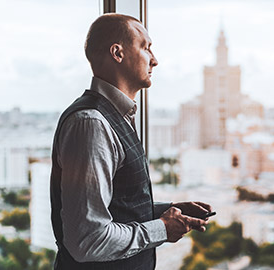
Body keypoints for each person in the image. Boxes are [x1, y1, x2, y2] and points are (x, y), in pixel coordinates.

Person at [50, 13, 212, 270]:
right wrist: (161, 229)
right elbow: (88, 240)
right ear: (118, 53)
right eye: (146, 47)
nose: (155, 60)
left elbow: (114, 206)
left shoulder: (113, 117)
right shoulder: (92, 123)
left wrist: (161, 211)